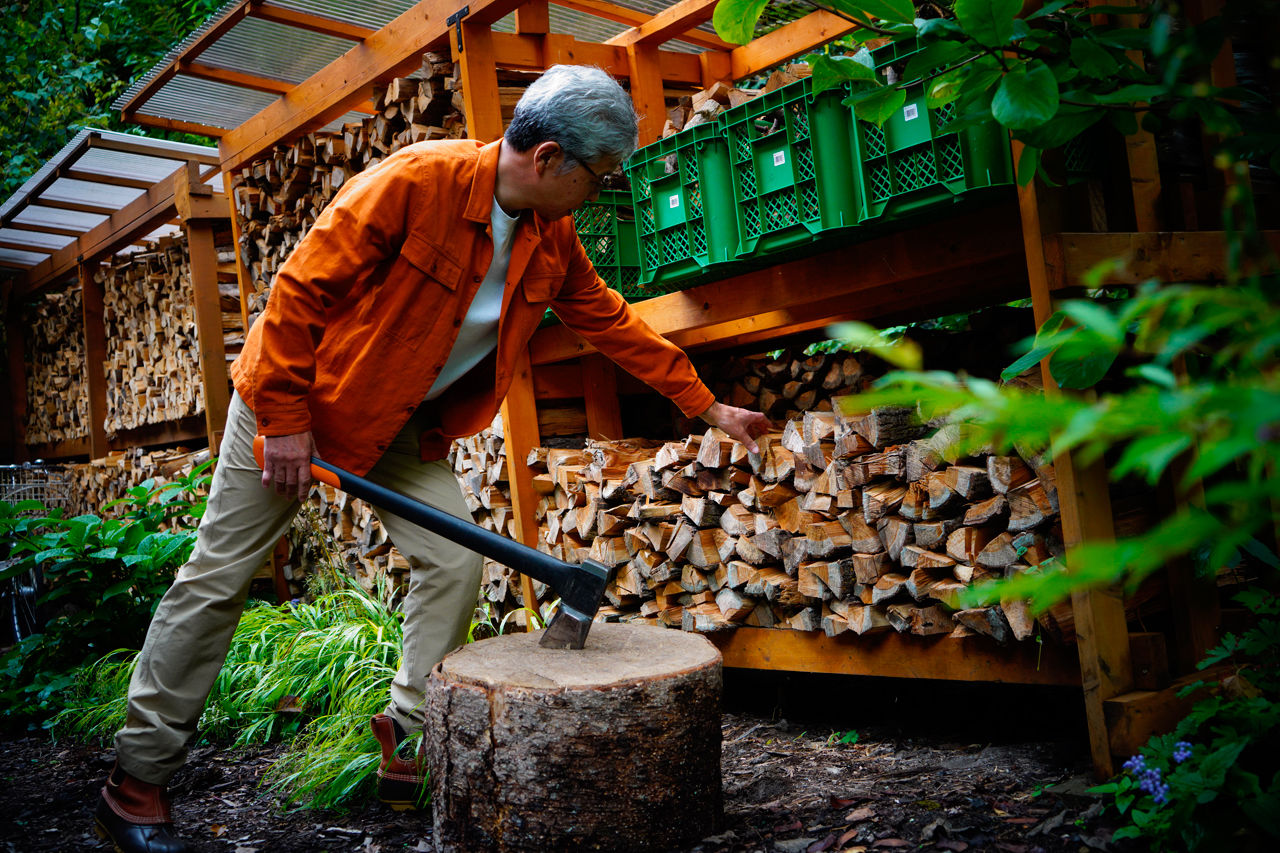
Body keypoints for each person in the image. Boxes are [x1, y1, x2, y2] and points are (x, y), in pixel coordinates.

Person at [94, 64, 771, 853]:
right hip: (295, 401)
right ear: (549, 158)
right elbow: (297, 291)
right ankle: (135, 784)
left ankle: (409, 737)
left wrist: (707, 405)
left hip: (393, 422)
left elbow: (610, 321)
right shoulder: (418, 181)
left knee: (454, 560)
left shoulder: (550, 237)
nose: (599, 191)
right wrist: (282, 417)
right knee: (217, 577)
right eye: (598, 175)